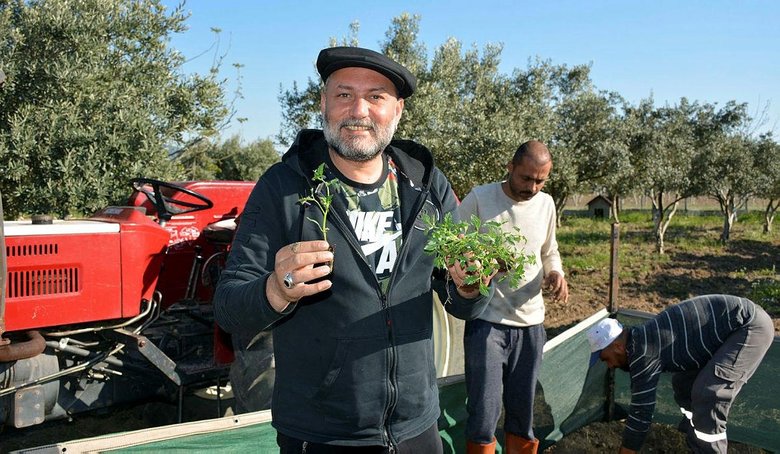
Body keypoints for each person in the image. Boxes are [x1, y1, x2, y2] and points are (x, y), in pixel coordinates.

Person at [213, 46, 493, 453]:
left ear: (396, 111)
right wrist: (276, 290)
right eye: (344, 94)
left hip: (417, 425)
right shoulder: (284, 189)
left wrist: (469, 288)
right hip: (323, 433)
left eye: (376, 97)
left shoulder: (427, 186)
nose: (358, 110)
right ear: (324, 104)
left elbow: (461, 299)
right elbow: (227, 307)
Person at [457, 140, 569, 454]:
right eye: (526, 178)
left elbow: (549, 251)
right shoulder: (480, 199)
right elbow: (454, 249)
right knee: (484, 412)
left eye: (540, 180)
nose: (532, 187)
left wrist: (556, 272)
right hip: (487, 325)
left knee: (523, 413)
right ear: (510, 167)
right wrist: (485, 263)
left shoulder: (546, 204)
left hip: (531, 325)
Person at [587, 294, 774, 453]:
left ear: (618, 346)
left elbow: (641, 412)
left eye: (606, 358)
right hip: (727, 330)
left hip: (749, 327)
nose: (610, 366)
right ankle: (694, 439)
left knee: (709, 393)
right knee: (683, 384)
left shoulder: (642, 351)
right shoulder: (640, 342)